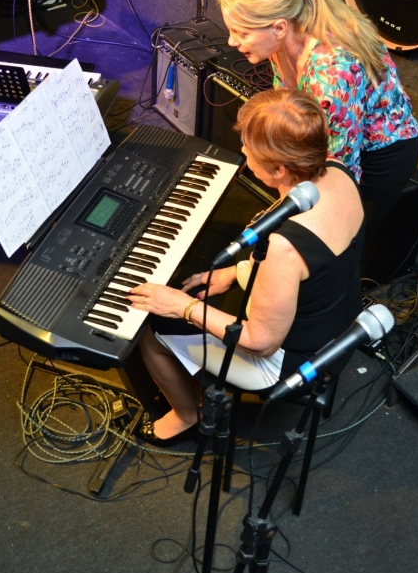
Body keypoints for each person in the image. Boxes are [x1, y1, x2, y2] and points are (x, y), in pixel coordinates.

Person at [128, 89, 365, 447]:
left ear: (279, 169)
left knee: (148, 328)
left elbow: (260, 343)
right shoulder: (339, 173)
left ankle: (186, 416)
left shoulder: (283, 248)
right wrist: (232, 273)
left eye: (248, 147)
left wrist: (182, 306)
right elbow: (312, 269)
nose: (242, 151)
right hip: (339, 320)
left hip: (289, 360)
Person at [217, 0, 418, 248]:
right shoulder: (282, 41)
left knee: (341, 247)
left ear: (278, 27)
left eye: (242, 32)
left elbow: (342, 171)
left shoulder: (332, 72)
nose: (231, 41)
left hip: (378, 155)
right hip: (338, 141)